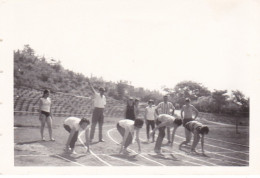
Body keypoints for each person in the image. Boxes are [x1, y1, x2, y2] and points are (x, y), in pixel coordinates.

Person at [87, 78, 106, 142]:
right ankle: (91, 138)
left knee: (101, 125)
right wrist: (89, 84)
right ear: (99, 91)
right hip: (96, 110)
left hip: (101, 111)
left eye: (103, 91)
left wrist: (103, 112)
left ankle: (100, 138)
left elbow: (104, 105)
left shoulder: (104, 97)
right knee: (94, 125)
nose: (103, 92)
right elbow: (92, 90)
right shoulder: (96, 94)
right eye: (102, 91)